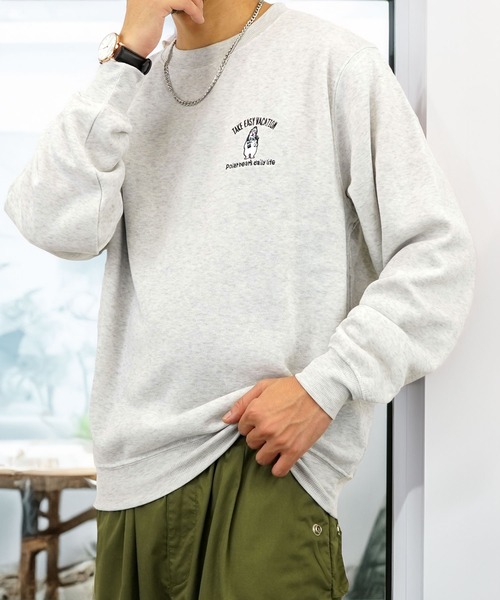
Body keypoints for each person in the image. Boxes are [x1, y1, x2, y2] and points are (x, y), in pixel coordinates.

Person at [3, 0, 476, 598]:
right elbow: (52, 223)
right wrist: (127, 55)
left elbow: (437, 256)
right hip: (134, 478)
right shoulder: (130, 82)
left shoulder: (334, 63)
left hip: (264, 464)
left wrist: (325, 385)